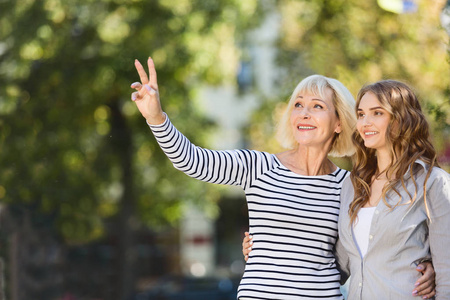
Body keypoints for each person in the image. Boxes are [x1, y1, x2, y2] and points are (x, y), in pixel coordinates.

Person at [130, 57, 434, 299]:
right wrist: (156, 117)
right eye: (298, 105)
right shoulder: (259, 167)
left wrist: (429, 267)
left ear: (339, 122)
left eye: (317, 107)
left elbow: (374, 246)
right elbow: (193, 161)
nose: (304, 113)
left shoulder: (351, 185)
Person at [243, 80, 445, 299]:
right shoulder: (353, 185)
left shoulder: (432, 183)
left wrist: (432, 264)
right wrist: (271, 246)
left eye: (377, 113)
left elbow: (448, 267)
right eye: (361, 114)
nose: (365, 122)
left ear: (400, 120)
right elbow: (336, 263)